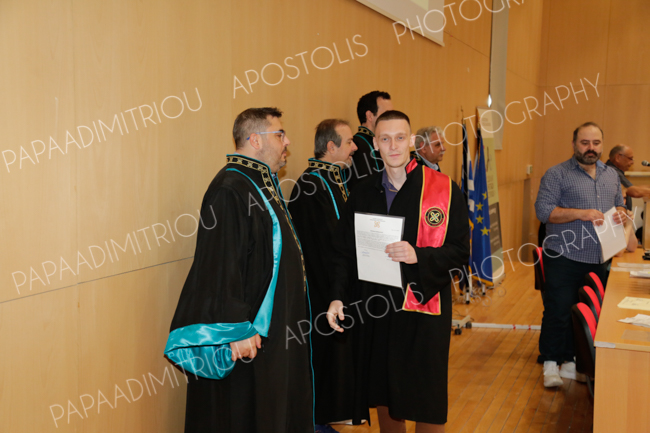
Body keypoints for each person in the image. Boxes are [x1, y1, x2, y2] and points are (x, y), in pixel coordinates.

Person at [164, 107, 313, 433]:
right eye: (280, 134)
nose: (288, 141)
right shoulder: (230, 188)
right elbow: (219, 263)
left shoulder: (259, 184)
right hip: (248, 338)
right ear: (255, 140)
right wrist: (236, 329)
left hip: (275, 334)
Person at [327, 110, 470, 432]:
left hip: (424, 309)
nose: (393, 146)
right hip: (376, 308)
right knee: (385, 390)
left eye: (400, 138)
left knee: (426, 394)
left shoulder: (444, 190)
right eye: (386, 139)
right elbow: (343, 253)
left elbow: (461, 252)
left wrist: (418, 255)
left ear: (412, 142)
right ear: (376, 144)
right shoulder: (362, 192)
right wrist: (337, 297)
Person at [535, 121, 627, 388]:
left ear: (602, 145)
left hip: (598, 258)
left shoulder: (611, 175)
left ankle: (571, 361)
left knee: (585, 314)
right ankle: (550, 363)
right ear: (574, 144)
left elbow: (619, 204)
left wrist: (622, 213)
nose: (591, 148)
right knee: (558, 311)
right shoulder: (557, 174)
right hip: (563, 256)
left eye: (596, 143)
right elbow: (544, 211)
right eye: (585, 143)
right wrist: (581, 214)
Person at [288, 119, 358, 433]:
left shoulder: (334, 179)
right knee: (321, 357)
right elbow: (326, 245)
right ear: (331, 147)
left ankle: (326, 417)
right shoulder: (311, 185)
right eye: (349, 142)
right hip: (319, 292)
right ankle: (315, 421)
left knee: (336, 359)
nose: (355, 148)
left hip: (335, 286)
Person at [347, 91, 393, 191]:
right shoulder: (355, 146)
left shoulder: (386, 144)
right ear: (370, 116)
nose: (392, 119)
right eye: (386, 114)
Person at [606, 144, 650, 208]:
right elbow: (635, 192)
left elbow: (631, 187)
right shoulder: (612, 171)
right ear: (618, 158)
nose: (632, 162)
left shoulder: (612, 169)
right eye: (630, 159)